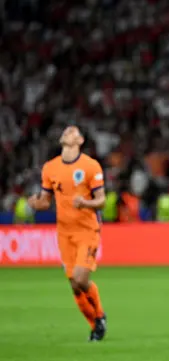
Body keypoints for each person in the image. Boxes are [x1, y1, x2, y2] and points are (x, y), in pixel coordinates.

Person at [28, 126, 107, 341]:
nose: (67, 132)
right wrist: (35, 203)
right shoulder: (50, 168)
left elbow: (102, 200)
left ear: (80, 140)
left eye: (73, 131)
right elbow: (45, 201)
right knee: (74, 285)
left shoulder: (90, 166)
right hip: (64, 232)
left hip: (87, 230)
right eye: (65, 130)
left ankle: (100, 314)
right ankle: (95, 324)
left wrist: (85, 202)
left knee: (81, 278)